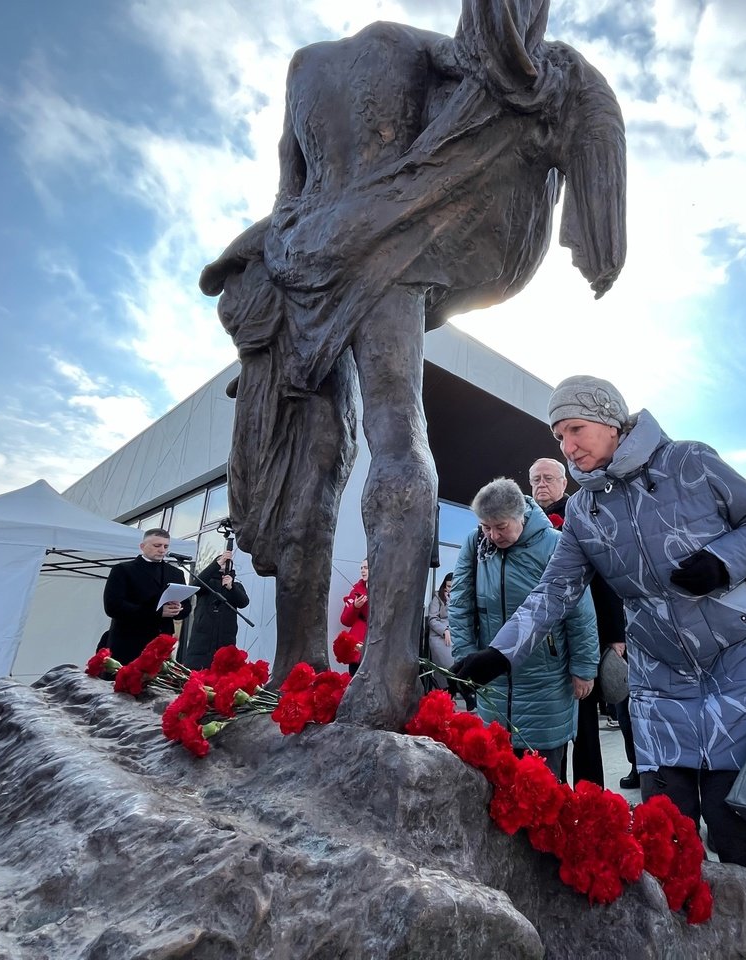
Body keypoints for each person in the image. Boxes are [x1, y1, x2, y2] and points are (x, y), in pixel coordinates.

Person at [197, 1, 626, 718]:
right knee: (386, 435)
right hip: (370, 248)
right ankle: (378, 670)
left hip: (309, 255)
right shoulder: (417, 55)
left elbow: (288, 198)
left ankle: (315, 666)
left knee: (331, 450)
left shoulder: (312, 67)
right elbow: (505, 67)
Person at [455, 376, 746, 885]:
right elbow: (554, 592)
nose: (568, 446)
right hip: (659, 667)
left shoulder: (689, 461)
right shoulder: (584, 511)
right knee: (666, 824)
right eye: (558, 436)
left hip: (737, 655)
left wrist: (723, 562)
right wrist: (499, 655)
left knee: (734, 820)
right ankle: (683, 931)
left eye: (576, 429)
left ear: (612, 421)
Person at [449, 478, 598, 777]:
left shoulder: (555, 544)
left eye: (500, 527)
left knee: (543, 774)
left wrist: (584, 667)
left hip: (545, 677)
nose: (492, 535)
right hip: (492, 674)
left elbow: (580, 612)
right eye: (486, 527)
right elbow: (460, 604)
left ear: (521, 515)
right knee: (497, 774)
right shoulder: (474, 544)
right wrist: (467, 658)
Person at [529, 455, 628, 787]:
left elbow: (606, 575)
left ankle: (590, 797)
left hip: (585, 632)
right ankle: (551, 794)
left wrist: (615, 634)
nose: (541, 485)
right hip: (542, 639)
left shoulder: (584, 513)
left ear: (563, 482)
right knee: (546, 725)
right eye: (535, 480)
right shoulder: (525, 520)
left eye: (547, 478)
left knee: (584, 722)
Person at [102, 529, 192, 664]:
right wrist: (156, 612)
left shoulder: (176, 573)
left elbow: (186, 607)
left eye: (165, 546)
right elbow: (113, 606)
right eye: (157, 546)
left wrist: (178, 608)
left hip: (161, 644)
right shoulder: (123, 570)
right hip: (129, 643)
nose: (162, 550)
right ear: (142, 546)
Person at [182, 550, 250, 669]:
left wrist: (231, 587)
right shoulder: (207, 582)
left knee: (223, 671)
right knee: (197, 670)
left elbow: (243, 602)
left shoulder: (236, 586)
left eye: (228, 563)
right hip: (202, 636)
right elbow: (195, 586)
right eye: (223, 562)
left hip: (226, 635)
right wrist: (217, 564)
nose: (225, 565)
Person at [336, 559, 370, 675]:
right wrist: (355, 607)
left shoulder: (385, 590)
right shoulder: (357, 590)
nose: (362, 571)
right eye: (361, 568)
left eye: (366, 568)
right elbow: (345, 620)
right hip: (358, 642)